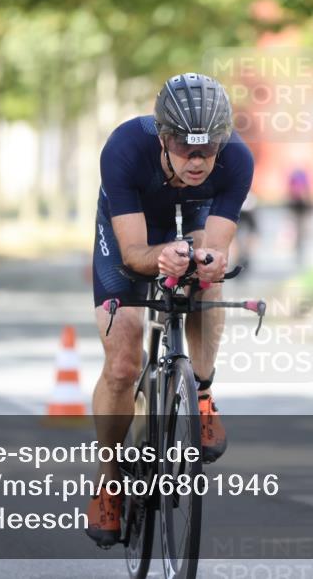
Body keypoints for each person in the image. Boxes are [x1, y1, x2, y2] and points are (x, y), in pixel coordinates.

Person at [87, 73, 254, 547]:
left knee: (206, 282)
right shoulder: (124, 148)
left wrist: (205, 263)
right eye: (184, 147)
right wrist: (161, 258)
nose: (198, 161)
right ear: (163, 137)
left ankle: (200, 393)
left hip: (194, 222)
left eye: (209, 148)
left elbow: (216, 251)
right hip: (133, 232)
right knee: (122, 363)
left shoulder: (237, 159)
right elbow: (133, 251)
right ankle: (109, 477)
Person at [286, 167, 311, 264]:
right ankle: (298, 244)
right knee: (298, 227)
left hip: (299, 206)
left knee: (299, 227)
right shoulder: (300, 178)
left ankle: (298, 244)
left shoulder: (296, 178)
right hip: (298, 205)